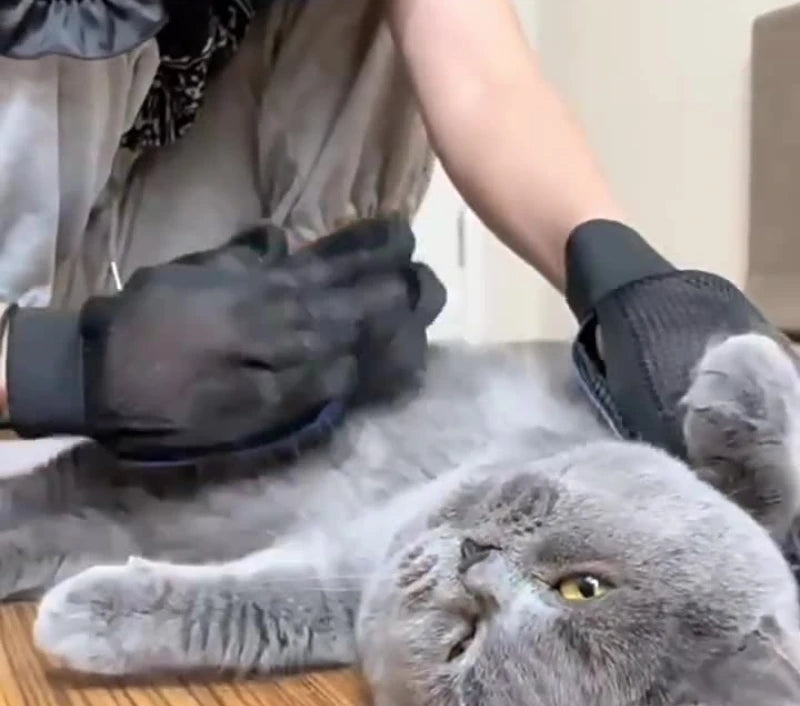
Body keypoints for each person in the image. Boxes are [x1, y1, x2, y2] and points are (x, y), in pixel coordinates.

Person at [0, 0, 787, 465]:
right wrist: (49, 366)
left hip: (138, 222)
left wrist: (631, 282)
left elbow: (484, 78)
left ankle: (279, 368)